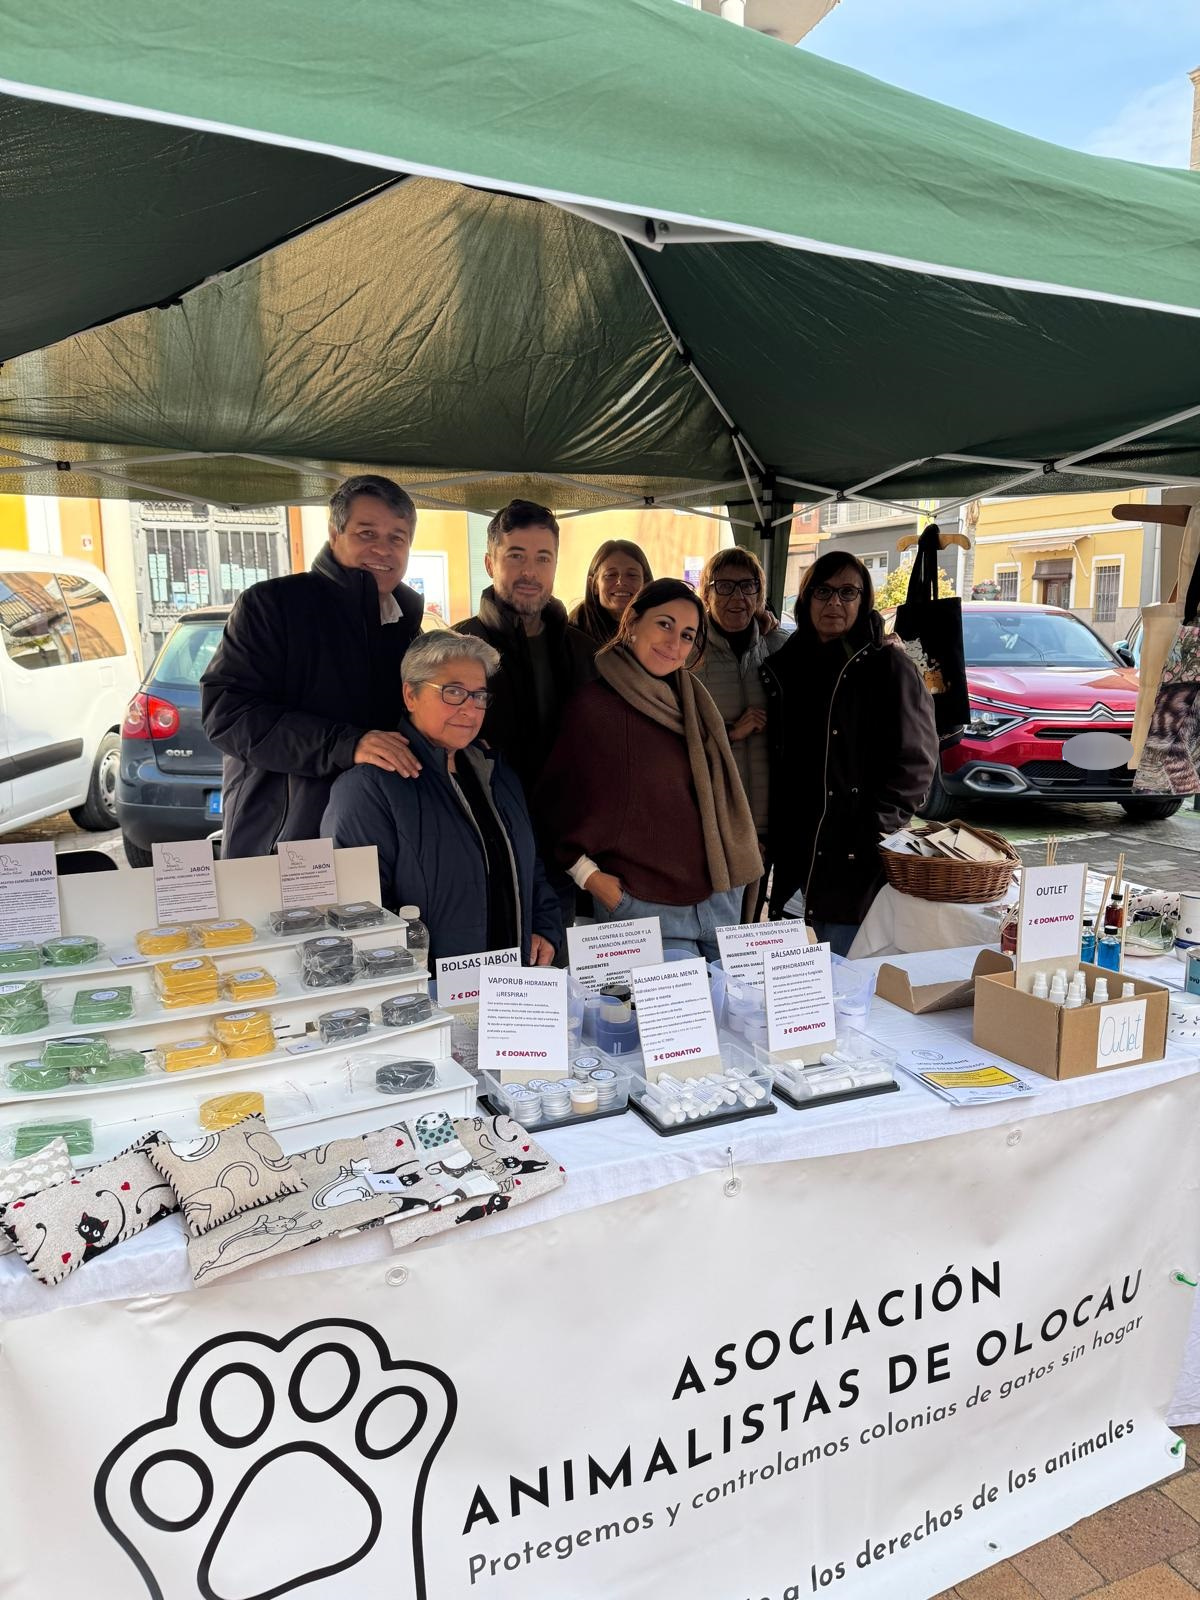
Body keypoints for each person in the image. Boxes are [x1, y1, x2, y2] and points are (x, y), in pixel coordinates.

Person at [536, 578, 761, 962]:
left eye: (688, 634)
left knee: (736, 1018)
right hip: (643, 907)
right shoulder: (595, 708)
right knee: (668, 1023)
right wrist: (590, 878)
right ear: (633, 621)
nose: (675, 642)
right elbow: (551, 806)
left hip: (720, 898)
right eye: (665, 624)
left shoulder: (693, 702)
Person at [202, 474, 423, 859]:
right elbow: (228, 716)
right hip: (284, 842)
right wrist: (346, 743)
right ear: (335, 534)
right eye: (367, 533)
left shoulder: (406, 624)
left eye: (397, 538)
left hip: (377, 839)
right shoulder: (272, 606)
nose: (383, 550)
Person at [321, 634, 562, 965]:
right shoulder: (369, 788)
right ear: (411, 695)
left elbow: (529, 864)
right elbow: (358, 914)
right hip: (428, 999)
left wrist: (545, 927)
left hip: (511, 987)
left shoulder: (497, 774)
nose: (469, 708)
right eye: (453, 692)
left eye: (479, 695)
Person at [761, 550, 937, 955]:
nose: (834, 603)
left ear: (864, 600)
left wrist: (875, 829)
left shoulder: (888, 666)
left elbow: (917, 763)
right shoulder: (783, 665)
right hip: (795, 849)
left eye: (848, 592)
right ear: (805, 598)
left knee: (842, 974)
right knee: (794, 982)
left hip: (854, 851)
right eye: (823, 591)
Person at [454, 500, 596, 792]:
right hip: (489, 820)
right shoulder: (456, 649)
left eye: (543, 558)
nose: (530, 572)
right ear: (490, 564)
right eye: (516, 556)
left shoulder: (586, 651)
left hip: (570, 820)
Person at [691, 547, 785, 911]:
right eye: (725, 586)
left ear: (760, 596)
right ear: (706, 593)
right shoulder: (688, 652)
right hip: (714, 814)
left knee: (752, 919)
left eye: (748, 587)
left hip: (768, 811)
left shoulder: (780, 648)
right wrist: (730, 731)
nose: (737, 597)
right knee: (715, 919)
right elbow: (669, 733)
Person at [569, 539, 654, 646]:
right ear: (594, 585)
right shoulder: (571, 636)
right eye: (611, 575)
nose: (621, 582)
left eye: (632, 575)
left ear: (646, 583)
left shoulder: (661, 630)